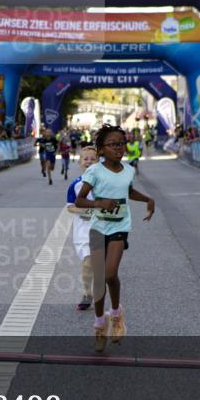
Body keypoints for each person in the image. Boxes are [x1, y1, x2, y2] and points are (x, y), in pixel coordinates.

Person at [72, 125, 155, 352]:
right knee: (99, 280)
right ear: (101, 150)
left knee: (110, 274)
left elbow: (127, 191)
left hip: (120, 226)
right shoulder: (94, 172)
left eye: (121, 143)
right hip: (99, 228)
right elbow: (80, 200)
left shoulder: (128, 170)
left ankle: (117, 314)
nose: (119, 148)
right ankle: (100, 324)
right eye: (113, 144)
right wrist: (99, 203)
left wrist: (147, 199)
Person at [66, 146, 99, 311]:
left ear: (98, 162)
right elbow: (70, 207)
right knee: (88, 263)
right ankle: (87, 294)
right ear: (80, 163)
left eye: (93, 159)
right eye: (86, 159)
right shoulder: (76, 185)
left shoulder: (105, 183)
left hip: (103, 230)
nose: (89, 161)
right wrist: (86, 211)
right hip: (84, 232)